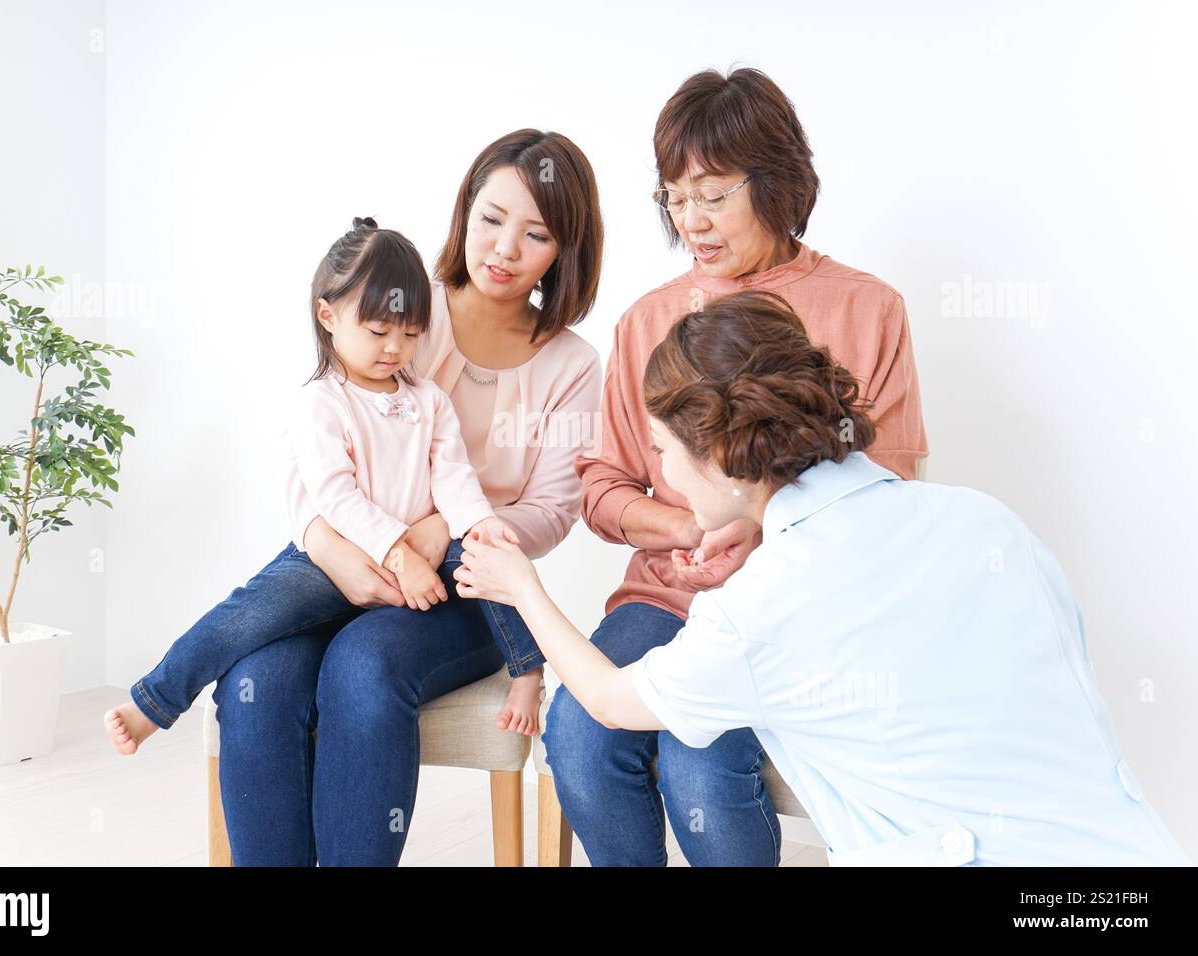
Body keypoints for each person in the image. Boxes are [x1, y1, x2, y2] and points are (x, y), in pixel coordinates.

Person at [458, 289, 1191, 866]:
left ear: (718, 452)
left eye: (664, 450)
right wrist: (760, 521)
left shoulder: (759, 606)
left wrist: (522, 585)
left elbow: (611, 702)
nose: (664, 473)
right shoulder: (989, 523)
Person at [546, 65, 928, 866]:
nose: (692, 221)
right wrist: (686, 525)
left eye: (713, 196)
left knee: (699, 754)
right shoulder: (647, 320)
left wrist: (759, 537)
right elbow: (604, 489)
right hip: (669, 595)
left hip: (801, 604)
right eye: (674, 199)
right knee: (578, 731)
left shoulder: (867, 308)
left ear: (777, 180)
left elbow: (894, 499)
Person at [218, 129, 605, 865]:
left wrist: (432, 535)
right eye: (491, 218)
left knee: (364, 666)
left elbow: (555, 511)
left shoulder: (572, 365)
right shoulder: (406, 308)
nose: (503, 248)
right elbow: (312, 430)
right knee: (257, 680)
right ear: (464, 211)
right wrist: (337, 547)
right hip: (345, 560)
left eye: (536, 234)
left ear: (565, 251)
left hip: (469, 585)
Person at [104, 218, 543, 756]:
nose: (395, 349)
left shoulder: (429, 400)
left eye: (410, 334)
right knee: (252, 611)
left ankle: (528, 672)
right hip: (335, 559)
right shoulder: (321, 403)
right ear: (328, 315)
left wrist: (478, 524)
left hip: (422, 561)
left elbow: (454, 480)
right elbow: (335, 498)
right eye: (379, 332)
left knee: (491, 554)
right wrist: (396, 552)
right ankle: (156, 700)